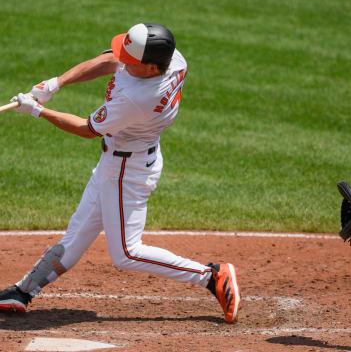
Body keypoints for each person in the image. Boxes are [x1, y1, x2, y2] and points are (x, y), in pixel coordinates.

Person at [0, 23, 240, 323]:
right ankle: (22, 292)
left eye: (131, 60)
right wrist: (55, 83)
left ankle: (210, 276)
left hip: (129, 170)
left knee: (127, 252)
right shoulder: (172, 58)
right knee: (75, 237)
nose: (123, 63)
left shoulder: (138, 100)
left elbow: (86, 129)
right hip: (119, 161)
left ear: (151, 67)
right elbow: (110, 59)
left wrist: (37, 111)